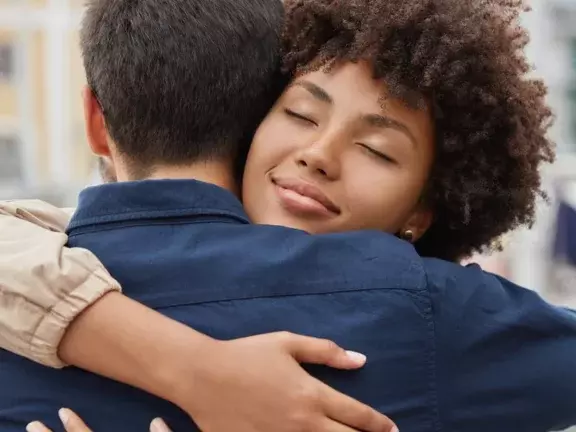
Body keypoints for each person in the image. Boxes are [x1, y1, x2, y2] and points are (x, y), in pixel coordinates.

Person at [2, 0, 576, 430]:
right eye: (301, 115)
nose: (319, 154)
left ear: (424, 212)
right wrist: (193, 367)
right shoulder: (427, 312)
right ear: (249, 119)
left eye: (377, 150)